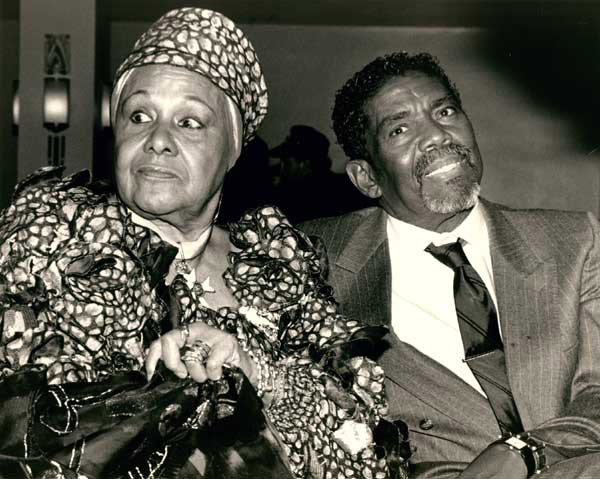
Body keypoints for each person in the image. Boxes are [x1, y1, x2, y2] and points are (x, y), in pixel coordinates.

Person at [0, 10, 409, 479]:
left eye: (190, 122)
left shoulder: (279, 267)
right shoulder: (50, 236)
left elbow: (367, 452)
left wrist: (251, 365)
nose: (157, 140)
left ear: (232, 149)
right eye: (139, 115)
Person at [300, 51, 600, 478]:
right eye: (400, 129)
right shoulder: (315, 259)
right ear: (366, 177)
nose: (437, 135)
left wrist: (523, 452)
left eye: (445, 111)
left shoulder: (574, 241)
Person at [269, 125, 375, 223]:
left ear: (304, 164)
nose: (281, 167)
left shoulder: (296, 198)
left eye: (286, 162)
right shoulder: (343, 187)